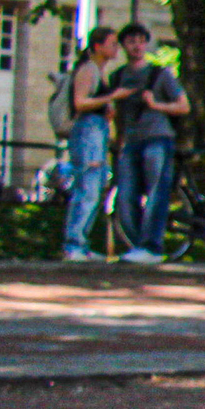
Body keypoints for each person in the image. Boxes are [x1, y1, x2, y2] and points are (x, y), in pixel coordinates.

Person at [108, 22, 189, 264]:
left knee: (157, 192)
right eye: (131, 41)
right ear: (124, 46)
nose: (137, 46)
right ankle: (138, 245)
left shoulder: (160, 74)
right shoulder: (118, 77)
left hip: (158, 139)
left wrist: (156, 105)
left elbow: (183, 106)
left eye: (141, 41)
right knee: (125, 195)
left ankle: (151, 246)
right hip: (131, 142)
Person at [59, 26, 123, 261]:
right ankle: (73, 244)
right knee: (86, 188)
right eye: (113, 43)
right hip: (88, 134)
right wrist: (111, 98)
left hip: (96, 132)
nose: (117, 48)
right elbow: (80, 103)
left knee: (94, 190)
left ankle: (81, 243)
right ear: (98, 46)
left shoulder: (97, 71)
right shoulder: (88, 69)